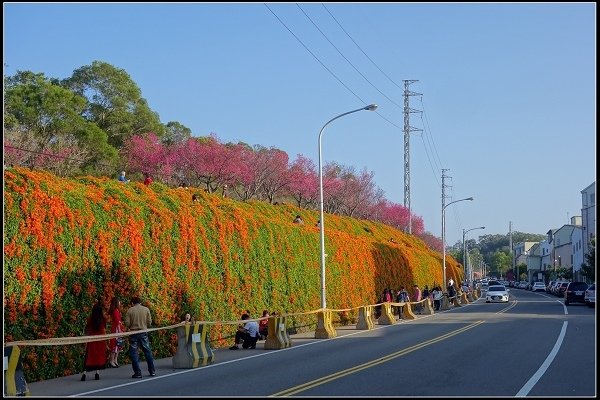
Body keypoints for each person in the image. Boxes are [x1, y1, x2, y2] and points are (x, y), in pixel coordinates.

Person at [124, 296, 156, 378]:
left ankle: (137, 372)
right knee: (147, 352)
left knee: (134, 353)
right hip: (143, 333)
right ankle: (152, 371)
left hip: (134, 333)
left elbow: (127, 323)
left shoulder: (130, 310)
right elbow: (149, 322)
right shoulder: (146, 309)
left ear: (132, 303)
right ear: (140, 302)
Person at [81, 301, 108, 381]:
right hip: (101, 340)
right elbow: (104, 328)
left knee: (89, 356)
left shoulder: (90, 319)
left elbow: (88, 328)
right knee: (98, 356)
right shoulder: (103, 319)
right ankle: (97, 373)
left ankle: (84, 374)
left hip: (92, 339)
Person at [107, 297, 124, 368]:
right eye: (119, 302)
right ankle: (112, 360)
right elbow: (117, 322)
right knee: (115, 345)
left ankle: (115, 360)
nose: (120, 303)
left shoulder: (116, 310)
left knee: (118, 345)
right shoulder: (115, 311)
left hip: (117, 328)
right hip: (116, 330)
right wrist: (120, 330)